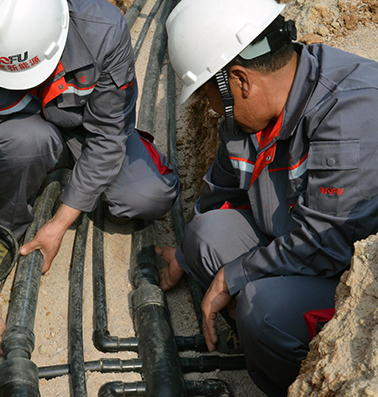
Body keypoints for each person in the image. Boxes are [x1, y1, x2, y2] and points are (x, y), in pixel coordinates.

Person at [160, 0, 378, 394]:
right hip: (296, 243)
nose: (212, 110)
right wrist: (184, 252)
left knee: (264, 311)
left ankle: (299, 382)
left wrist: (234, 275)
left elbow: (324, 243)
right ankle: (259, 338)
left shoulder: (351, 111)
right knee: (203, 237)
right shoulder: (249, 113)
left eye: (209, 97)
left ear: (240, 81)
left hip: (348, 273)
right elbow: (221, 189)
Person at [0, 0, 178, 354]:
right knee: (25, 141)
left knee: (148, 195)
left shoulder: (103, 30)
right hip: (30, 141)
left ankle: (78, 183)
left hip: (88, 134)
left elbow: (108, 136)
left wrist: (59, 223)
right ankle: (7, 227)